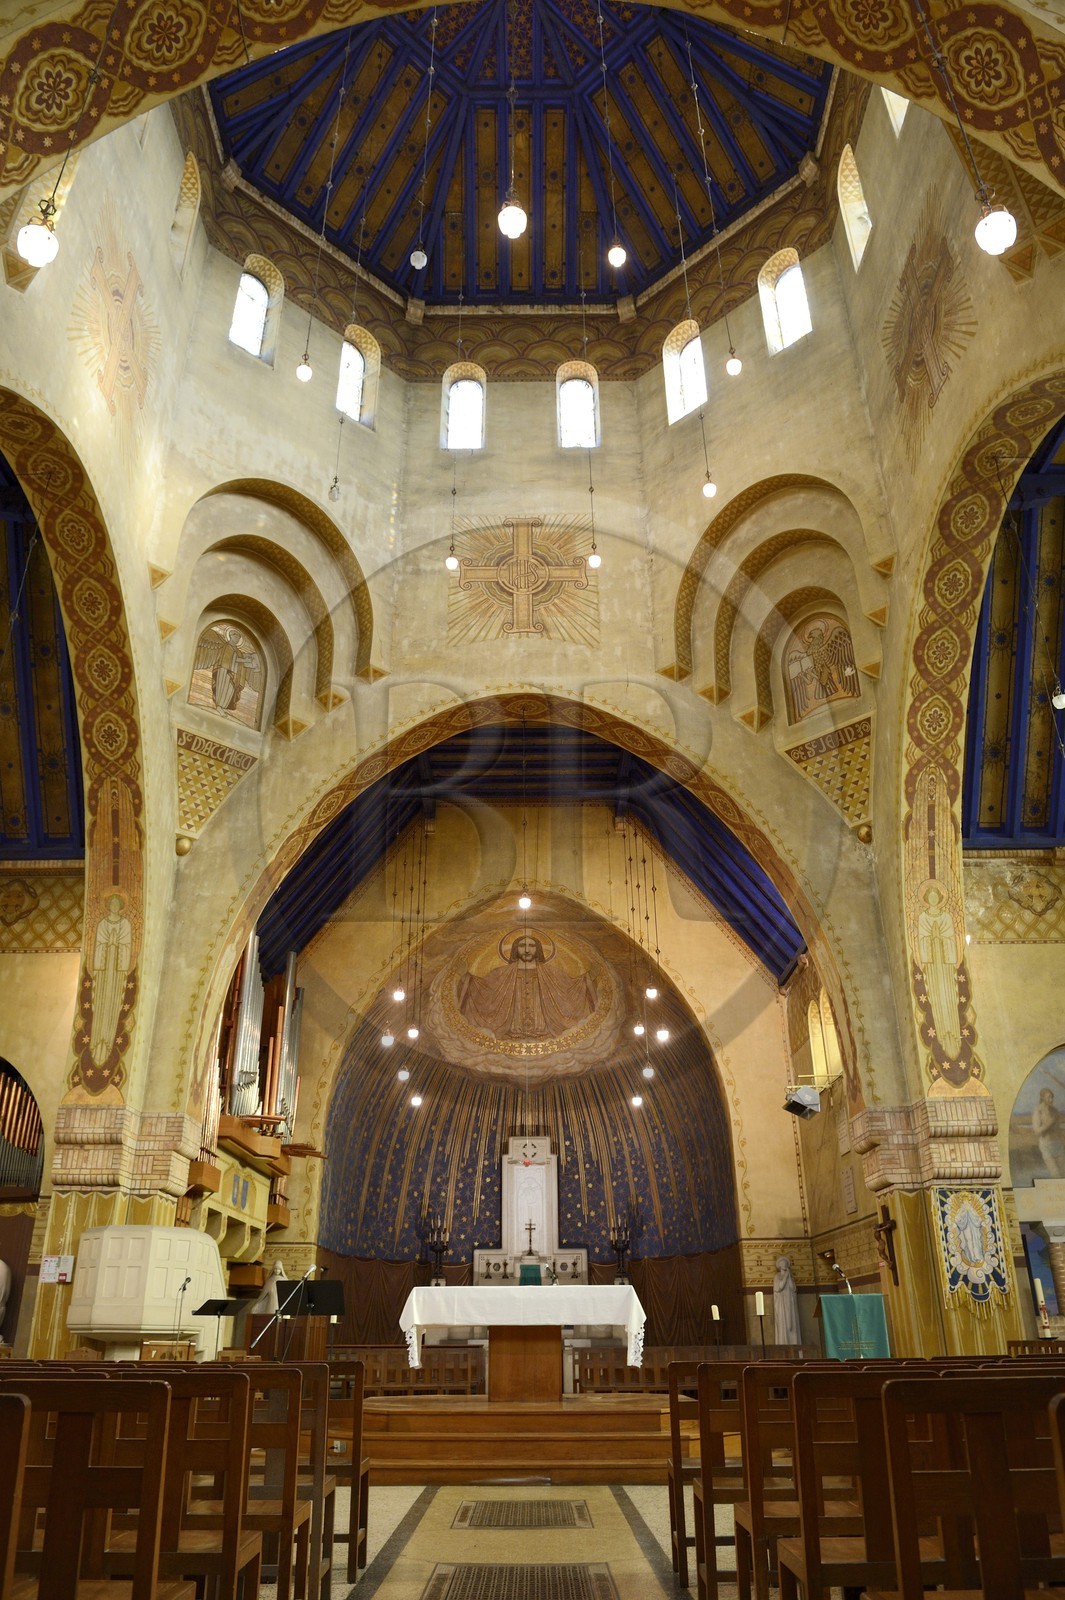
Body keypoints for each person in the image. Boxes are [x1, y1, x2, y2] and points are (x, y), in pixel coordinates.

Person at [1032, 1086, 1065, 1177]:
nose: (1051, 1100)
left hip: (1058, 1145)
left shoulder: (1055, 1111)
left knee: (1063, 1173)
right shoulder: (1038, 1111)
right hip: (1046, 1146)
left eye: (1052, 1097)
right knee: (1055, 1173)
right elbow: (1036, 1131)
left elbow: (1058, 1129)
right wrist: (1048, 1124)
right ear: (1042, 1098)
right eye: (1048, 1097)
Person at [772, 1254, 801, 1346]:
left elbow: (793, 1288)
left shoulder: (790, 1277)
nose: (784, 1265)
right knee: (783, 1325)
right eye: (783, 1264)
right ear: (780, 1266)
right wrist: (785, 1276)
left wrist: (789, 1277)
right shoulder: (777, 1276)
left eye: (786, 1264)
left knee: (792, 1325)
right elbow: (780, 1287)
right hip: (782, 1304)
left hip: (790, 1303)